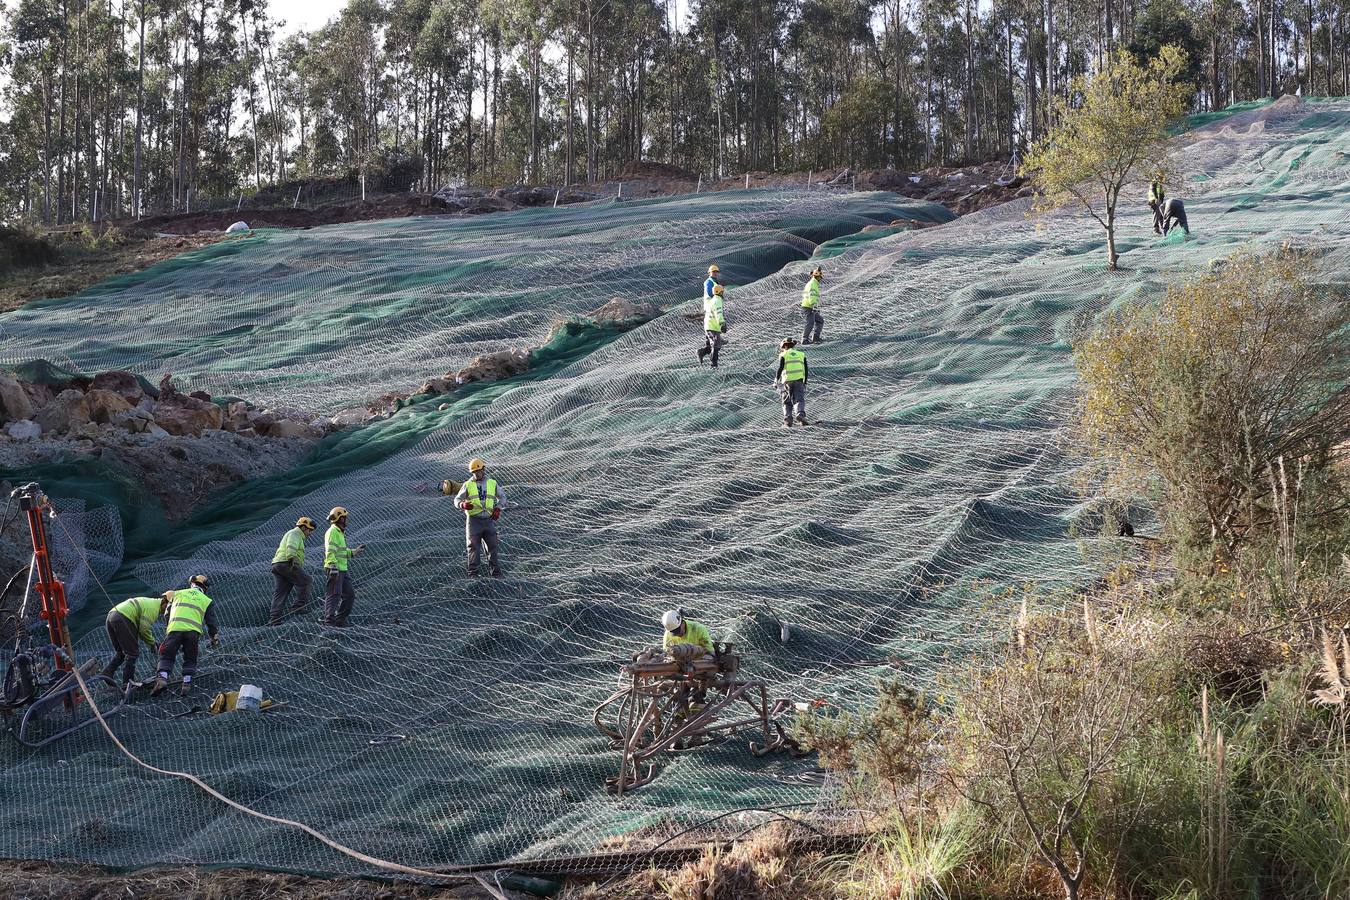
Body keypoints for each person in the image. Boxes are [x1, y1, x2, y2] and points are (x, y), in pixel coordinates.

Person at [151, 575, 219, 696]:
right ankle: (186, 684)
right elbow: (211, 622)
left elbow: (167, 613)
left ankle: (162, 679)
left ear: (192, 583)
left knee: (167, 655)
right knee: (190, 657)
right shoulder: (207, 600)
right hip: (193, 633)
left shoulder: (177, 593)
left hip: (175, 629)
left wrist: (170, 626)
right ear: (205, 587)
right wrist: (214, 637)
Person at [101, 595, 168, 689]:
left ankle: (107, 673)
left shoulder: (150, 602)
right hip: (122, 617)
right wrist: (152, 643)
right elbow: (143, 629)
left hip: (111, 616)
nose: (168, 610)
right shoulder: (153, 609)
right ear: (164, 603)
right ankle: (127, 683)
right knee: (132, 653)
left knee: (121, 652)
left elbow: (141, 629)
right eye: (168, 607)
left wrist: (151, 642)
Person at [455, 458, 505, 577]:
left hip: (488, 520)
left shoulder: (492, 483)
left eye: (478, 472)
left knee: (492, 546)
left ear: (483, 470)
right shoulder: (467, 485)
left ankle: (496, 573)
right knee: (473, 546)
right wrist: (462, 504)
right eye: (474, 473)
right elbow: (456, 499)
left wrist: (498, 508)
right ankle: (473, 574)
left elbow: (503, 497)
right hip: (473, 521)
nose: (476, 475)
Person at [269, 516, 317, 625]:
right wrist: (293, 559)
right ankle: (298, 607)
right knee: (306, 581)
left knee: (281, 592)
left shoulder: (294, 534)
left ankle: (274, 619)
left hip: (277, 564)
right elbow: (291, 546)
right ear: (303, 527)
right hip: (287, 563)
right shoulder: (295, 534)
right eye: (309, 530)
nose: (310, 533)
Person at [322, 506, 364, 626]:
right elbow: (330, 550)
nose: (347, 520)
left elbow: (340, 550)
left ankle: (340, 620)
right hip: (335, 568)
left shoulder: (339, 533)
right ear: (339, 519)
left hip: (342, 570)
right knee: (334, 594)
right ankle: (329, 622)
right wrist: (332, 565)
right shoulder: (332, 532)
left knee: (349, 595)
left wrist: (353, 552)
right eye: (345, 518)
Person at [774, 337, 809, 426]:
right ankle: (800, 415)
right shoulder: (801, 354)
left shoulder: (783, 355)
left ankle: (788, 420)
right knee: (799, 399)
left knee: (786, 401)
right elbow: (806, 369)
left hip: (787, 381)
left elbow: (780, 368)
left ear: (784, 346)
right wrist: (805, 382)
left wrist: (776, 380)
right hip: (799, 381)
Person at [698, 283, 729, 367]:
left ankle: (703, 352)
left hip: (709, 326)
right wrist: (722, 323)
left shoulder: (712, 300)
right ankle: (713, 364)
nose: (723, 293)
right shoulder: (717, 300)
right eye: (722, 292)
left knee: (714, 345)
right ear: (719, 292)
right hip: (713, 327)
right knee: (716, 345)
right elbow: (718, 312)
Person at [800, 266, 824, 344]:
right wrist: (814, 306)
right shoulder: (813, 284)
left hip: (809, 306)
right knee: (810, 322)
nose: (821, 279)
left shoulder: (813, 283)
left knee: (820, 320)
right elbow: (812, 294)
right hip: (808, 307)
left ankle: (816, 338)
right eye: (820, 277)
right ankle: (804, 340)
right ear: (817, 277)